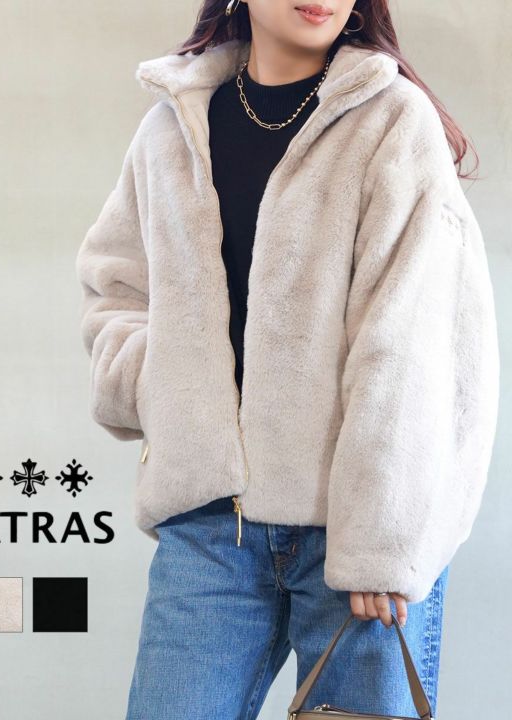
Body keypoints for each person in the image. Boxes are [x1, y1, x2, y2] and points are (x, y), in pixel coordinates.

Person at [75, 1, 500, 718]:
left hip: (354, 532)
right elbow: (115, 288)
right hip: (210, 528)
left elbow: (416, 339)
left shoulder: (391, 120)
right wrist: (163, 387)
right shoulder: (171, 128)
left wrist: (381, 540)